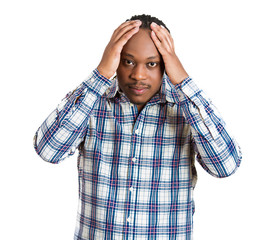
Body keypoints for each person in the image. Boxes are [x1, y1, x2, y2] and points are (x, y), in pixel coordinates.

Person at [34, 14, 242, 240]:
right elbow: (48, 150)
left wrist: (182, 81)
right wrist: (100, 74)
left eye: (152, 64)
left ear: (166, 65)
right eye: (128, 61)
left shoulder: (187, 109)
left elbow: (225, 166)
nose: (138, 75)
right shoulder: (91, 103)